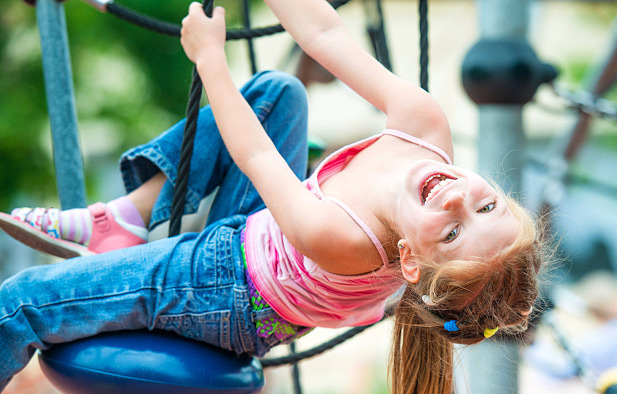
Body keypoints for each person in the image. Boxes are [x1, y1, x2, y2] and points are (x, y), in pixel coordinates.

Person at [0, 0, 545, 392]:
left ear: (406, 260)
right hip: (257, 237)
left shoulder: (344, 240)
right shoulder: (425, 129)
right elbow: (325, 36)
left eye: (453, 235)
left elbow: (257, 158)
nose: (458, 204)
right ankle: (125, 219)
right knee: (279, 93)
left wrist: (209, 57)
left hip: (227, 291)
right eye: (487, 206)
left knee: (18, 303)